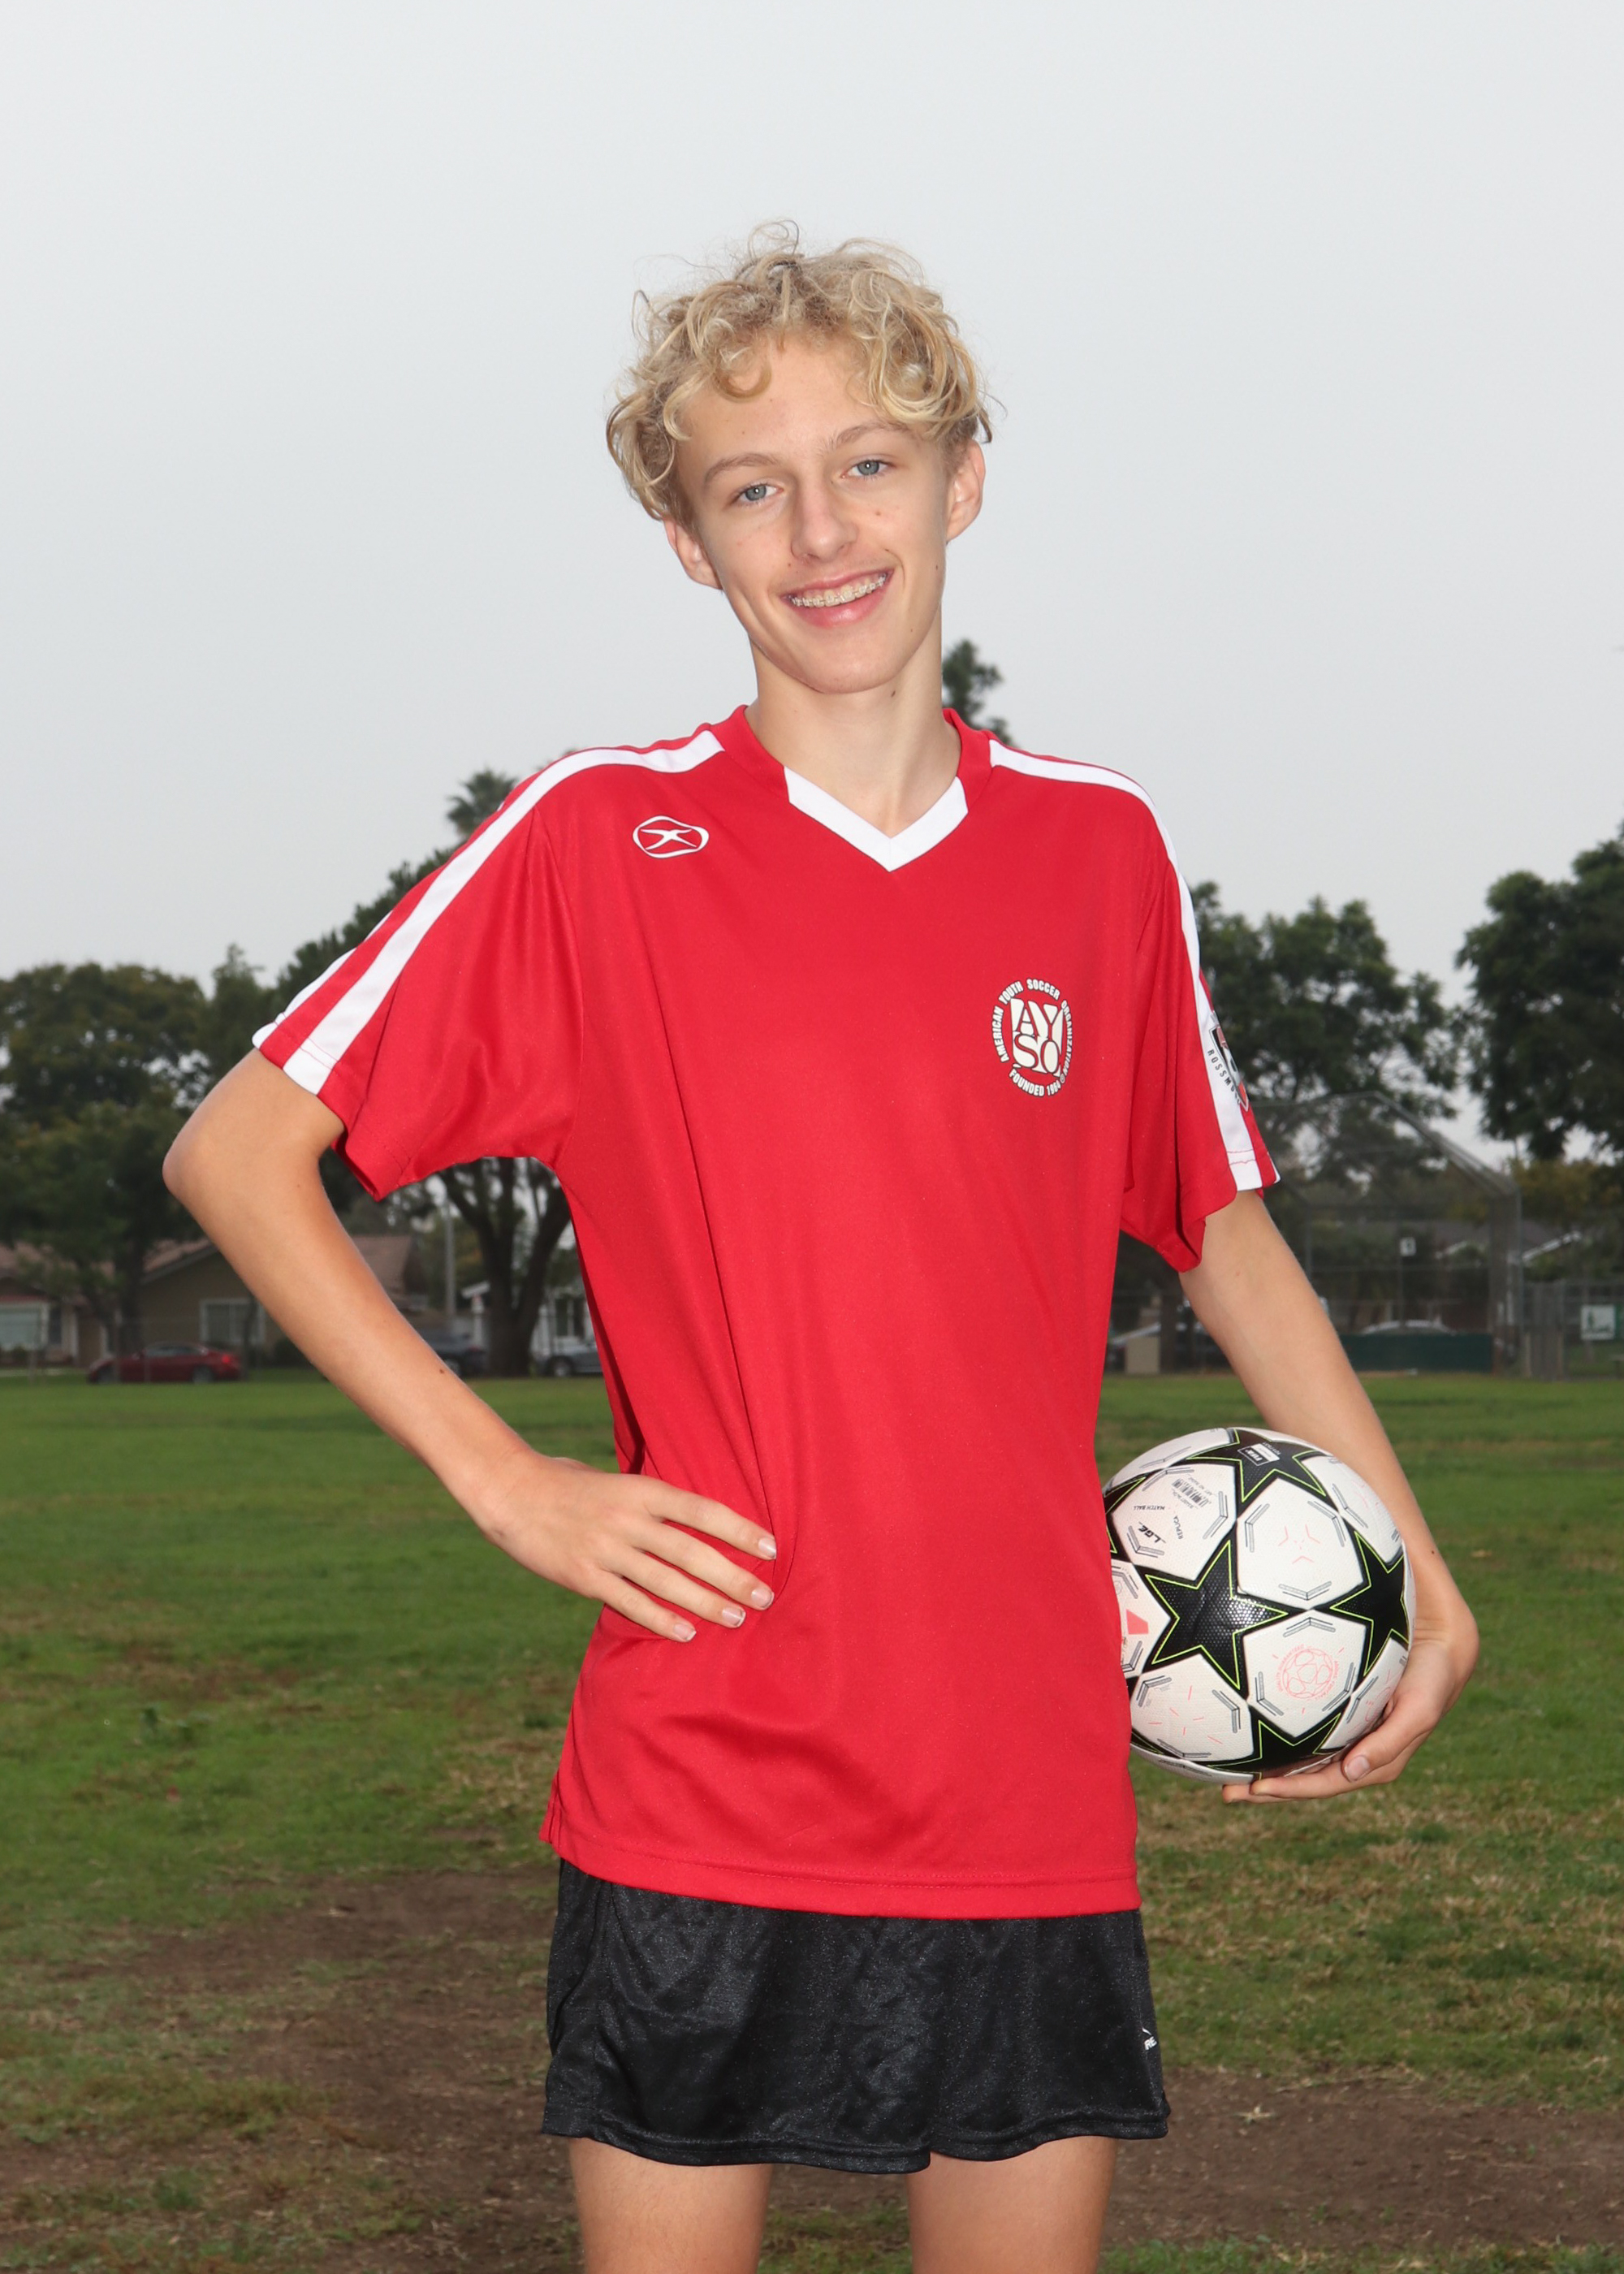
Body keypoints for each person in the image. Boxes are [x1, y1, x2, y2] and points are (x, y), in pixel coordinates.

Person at [166, 227, 1479, 2274]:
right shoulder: (597, 837)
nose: (821, 529)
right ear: (688, 543)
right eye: (751, 487)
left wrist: (1412, 1564)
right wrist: (503, 1477)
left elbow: (1221, 1233)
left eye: (869, 463)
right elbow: (242, 1150)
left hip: (1018, 1772)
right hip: (708, 1763)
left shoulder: (1099, 850)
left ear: (963, 480)